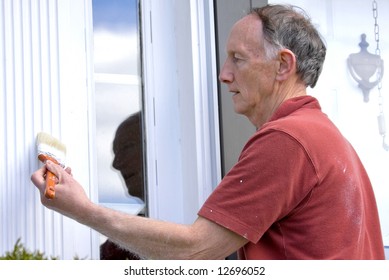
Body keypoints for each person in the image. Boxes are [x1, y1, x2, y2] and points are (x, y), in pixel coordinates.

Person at [31, 4, 385, 259]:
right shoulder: (324, 136)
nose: (224, 74)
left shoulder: (287, 140)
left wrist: (82, 209)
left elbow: (195, 249)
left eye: (238, 58)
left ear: (283, 65)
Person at [100, 112, 144, 260]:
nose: (116, 164)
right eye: (115, 153)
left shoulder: (196, 218)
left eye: (126, 148)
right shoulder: (116, 249)